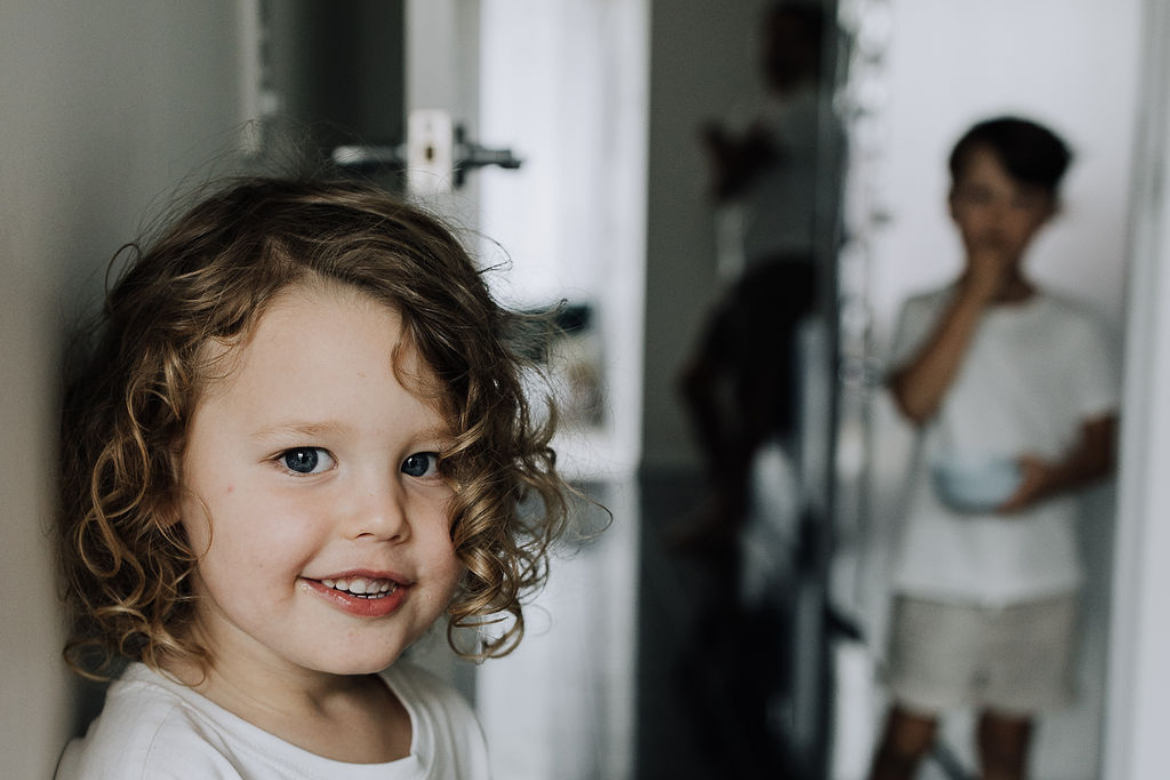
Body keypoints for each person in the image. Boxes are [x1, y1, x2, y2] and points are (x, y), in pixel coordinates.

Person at [53, 178, 573, 779]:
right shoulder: (163, 765)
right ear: (161, 477)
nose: (382, 515)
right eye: (304, 459)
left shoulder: (436, 716)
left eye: (423, 463)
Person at [867, 117, 1119, 780]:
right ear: (950, 202)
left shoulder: (1076, 329)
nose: (998, 218)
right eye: (980, 196)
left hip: (1041, 578)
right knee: (906, 737)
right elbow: (914, 402)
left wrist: (1048, 480)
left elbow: (1103, 450)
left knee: (1007, 748)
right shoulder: (925, 313)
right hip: (937, 572)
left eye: (1021, 200)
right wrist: (975, 292)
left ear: (1049, 212)